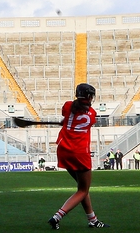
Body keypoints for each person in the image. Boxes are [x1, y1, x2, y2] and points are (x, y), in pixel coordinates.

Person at [47, 83, 109, 229]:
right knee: (83, 190)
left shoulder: (67, 106)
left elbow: (67, 118)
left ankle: (92, 220)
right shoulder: (92, 114)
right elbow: (82, 119)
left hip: (63, 151)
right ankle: (57, 216)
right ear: (89, 97)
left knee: (82, 189)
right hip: (80, 153)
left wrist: (65, 122)